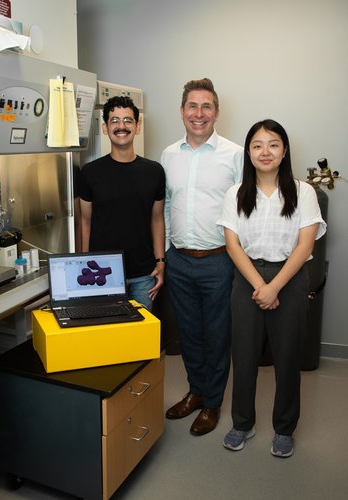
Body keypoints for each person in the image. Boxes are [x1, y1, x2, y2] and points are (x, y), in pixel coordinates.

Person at [217, 119, 325, 457]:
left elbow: (306, 246)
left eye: (273, 144)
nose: (266, 151)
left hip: (289, 279)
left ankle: (284, 428)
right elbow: (232, 244)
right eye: (258, 145)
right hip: (247, 278)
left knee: (288, 358)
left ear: (284, 150)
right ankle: (242, 423)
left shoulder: (303, 192)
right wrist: (259, 285)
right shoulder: (236, 193)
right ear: (248, 153)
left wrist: (274, 286)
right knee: (244, 356)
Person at [161, 78, 243, 435]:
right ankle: (196, 392)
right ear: (182, 111)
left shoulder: (235, 154)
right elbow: (164, 206)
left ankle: (212, 403)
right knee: (190, 333)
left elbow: (245, 209)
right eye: (192, 106)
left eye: (206, 106)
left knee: (217, 335)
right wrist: (164, 253)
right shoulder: (169, 154)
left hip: (219, 259)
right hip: (179, 259)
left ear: (216, 112)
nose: (199, 114)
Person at [79, 95, 166, 310]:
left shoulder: (154, 171)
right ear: (106, 127)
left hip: (143, 274)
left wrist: (161, 261)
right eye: (114, 120)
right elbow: (85, 223)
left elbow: (157, 220)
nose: (121, 126)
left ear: (137, 126)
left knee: (140, 339)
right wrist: (83, 265)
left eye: (128, 120)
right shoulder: (90, 172)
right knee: (108, 337)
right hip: (101, 272)